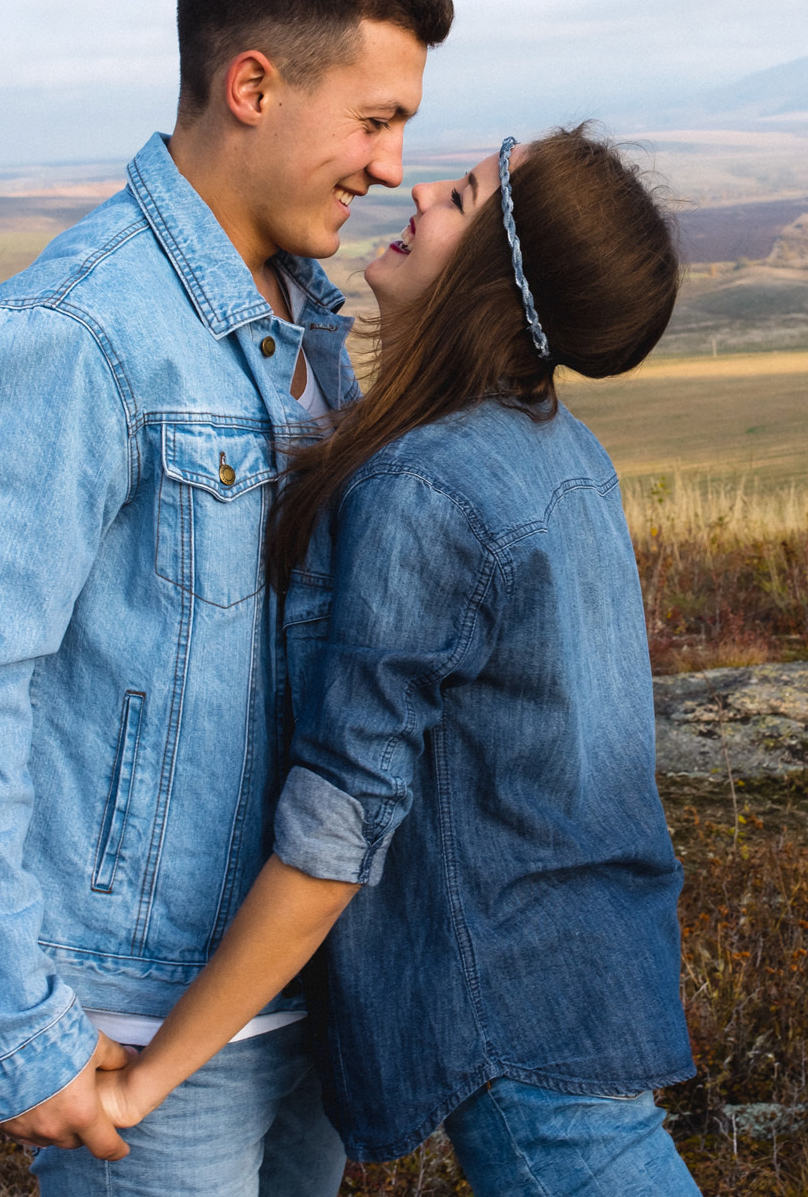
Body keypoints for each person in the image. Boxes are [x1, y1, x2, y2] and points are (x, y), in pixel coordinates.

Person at [0, 0, 453, 1196]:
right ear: (252, 83)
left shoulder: (309, 324)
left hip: (306, 998)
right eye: (374, 117)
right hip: (132, 1028)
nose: (395, 166)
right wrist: (14, 1029)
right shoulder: (76, 336)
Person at [91, 126, 701, 1197]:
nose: (416, 192)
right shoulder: (562, 451)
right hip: (600, 972)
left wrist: (150, 1083)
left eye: (460, 198)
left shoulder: (424, 489)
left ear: (491, 282)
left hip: (514, 1007)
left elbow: (337, 831)